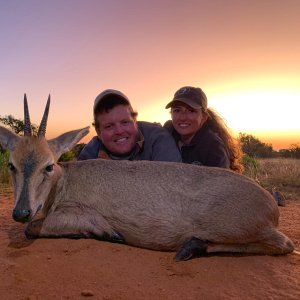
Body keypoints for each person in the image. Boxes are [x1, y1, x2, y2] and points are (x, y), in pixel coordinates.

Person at [78, 89, 182, 162]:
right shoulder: (89, 155)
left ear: (135, 121)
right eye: (109, 126)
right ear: (98, 132)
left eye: (125, 122)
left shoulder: (158, 138)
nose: (119, 131)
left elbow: (172, 185)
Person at [164, 86, 244, 173]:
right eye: (177, 110)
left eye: (191, 111)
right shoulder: (167, 131)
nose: (183, 117)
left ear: (204, 117)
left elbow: (221, 183)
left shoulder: (214, 148)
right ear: (171, 114)